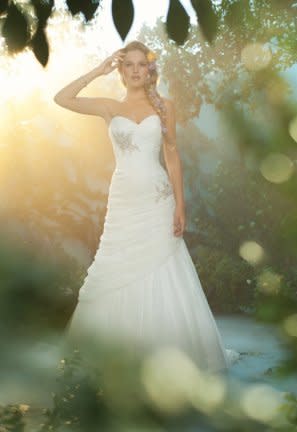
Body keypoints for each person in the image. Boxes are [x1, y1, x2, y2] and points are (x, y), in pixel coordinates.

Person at [54, 40, 240, 373]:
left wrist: (180, 207)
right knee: (116, 270)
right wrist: (99, 70)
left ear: (150, 69)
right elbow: (62, 98)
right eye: (129, 65)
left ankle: (172, 361)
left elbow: (172, 157)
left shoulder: (164, 106)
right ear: (122, 70)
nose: (136, 70)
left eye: (142, 64)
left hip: (157, 200)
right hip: (124, 199)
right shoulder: (109, 107)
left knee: (164, 266)